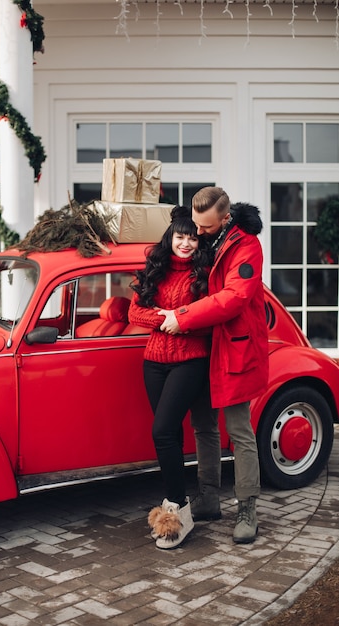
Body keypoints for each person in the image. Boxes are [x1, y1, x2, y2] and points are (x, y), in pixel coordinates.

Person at [158, 187, 269, 544]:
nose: (198, 232)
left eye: (205, 227)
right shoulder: (207, 235)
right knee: (203, 425)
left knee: (239, 430)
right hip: (203, 348)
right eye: (195, 224)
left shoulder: (247, 246)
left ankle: (247, 508)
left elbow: (233, 298)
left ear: (225, 218)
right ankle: (208, 498)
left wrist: (182, 316)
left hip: (233, 349)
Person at [128, 205, 212, 550]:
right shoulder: (156, 268)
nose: (186, 243)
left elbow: (211, 313)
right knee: (170, 435)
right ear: (171, 237)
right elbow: (135, 310)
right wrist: (164, 318)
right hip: (154, 361)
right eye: (180, 236)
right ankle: (177, 506)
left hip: (190, 361)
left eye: (192, 237)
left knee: (161, 430)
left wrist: (181, 317)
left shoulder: (205, 272)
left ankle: (177, 506)